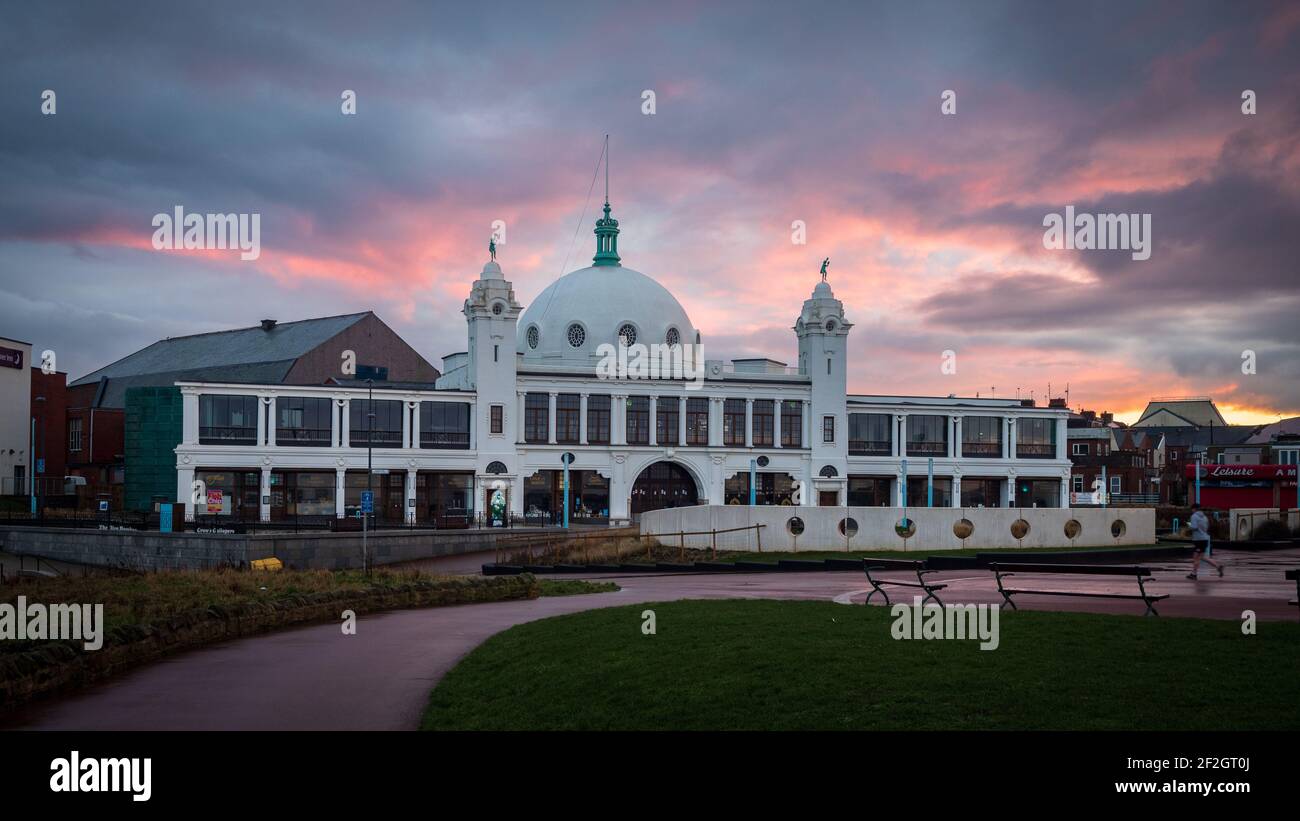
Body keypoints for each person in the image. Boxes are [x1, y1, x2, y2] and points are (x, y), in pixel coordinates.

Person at [1186, 504, 1224, 580]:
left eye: (1192, 509)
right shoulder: (1205, 517)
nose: (1191, 511)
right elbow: (1206, 527)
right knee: (1202, 557)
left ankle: (1194, 574)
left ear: (1194, 509)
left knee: (1196, 557)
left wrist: (1189, 526)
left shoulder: (1194, 516)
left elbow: (1194, 527)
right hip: (1205, 538)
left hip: (1198, 540)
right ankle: (1218, 566)